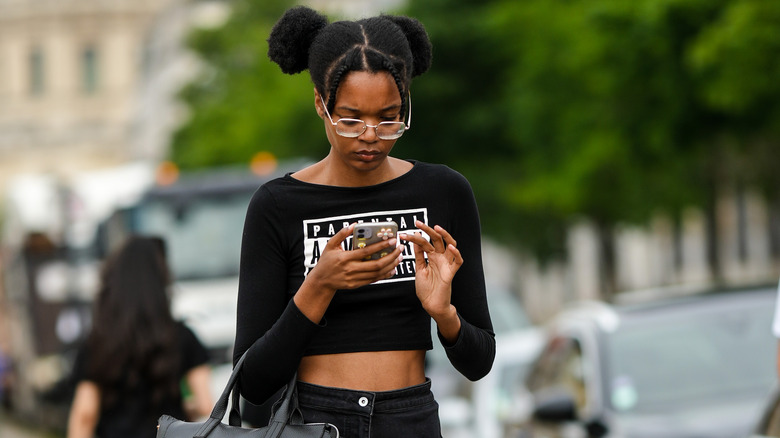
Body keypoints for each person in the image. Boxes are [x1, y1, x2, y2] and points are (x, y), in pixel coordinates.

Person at [232, 6, 496, 436]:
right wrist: (319, 285)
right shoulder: (278, 205)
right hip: (316, 420)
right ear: (320, 103)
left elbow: (479, 362)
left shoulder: (444, 191)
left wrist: (443, 313)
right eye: (351, 119)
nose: (371, 135)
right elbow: (252, 383)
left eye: (388, 118)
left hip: (409, 417)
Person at [67, 236, 212, 438]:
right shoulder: (182, 337)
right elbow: (205, 404)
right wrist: (182, 412)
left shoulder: (97, 343)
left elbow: (85, 415)